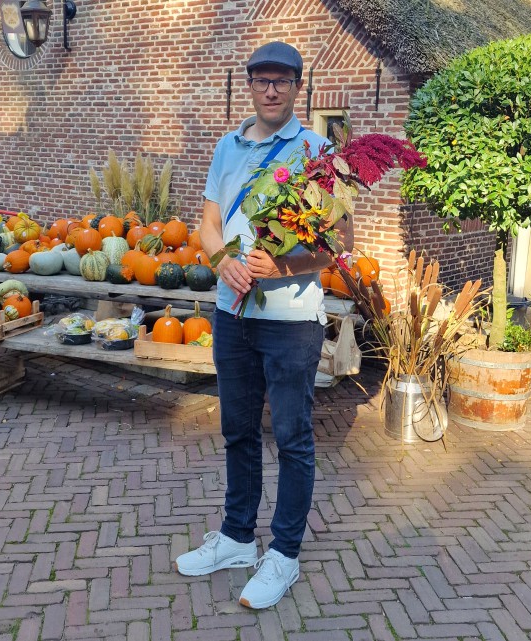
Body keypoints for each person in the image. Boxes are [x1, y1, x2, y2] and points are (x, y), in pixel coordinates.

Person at [175, 42, 354, 609]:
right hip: (232, 315)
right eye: (261, 80)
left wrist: (285, 264)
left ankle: (283, 555)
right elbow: (206, 226)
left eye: (282, 81)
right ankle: (235, 538)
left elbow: (342, 243)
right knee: (238, 431)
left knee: (295, 439)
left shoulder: (318, 151)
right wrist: (222, 256)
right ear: (248, 85)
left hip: (291, 321)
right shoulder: (226, 149)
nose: (271, 89)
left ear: (299, 87)